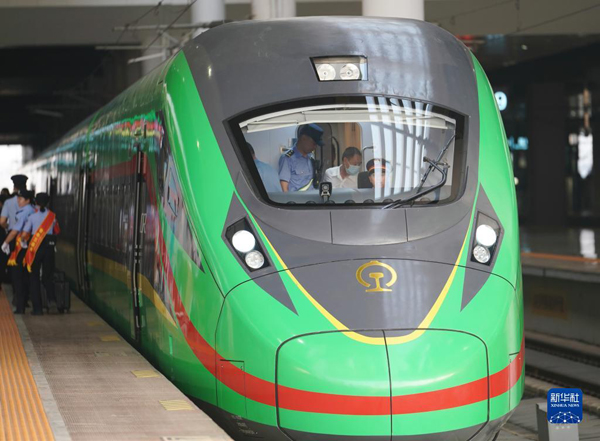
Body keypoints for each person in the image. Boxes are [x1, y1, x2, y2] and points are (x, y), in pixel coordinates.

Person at [22, 193, 60, 315]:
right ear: (48, 203)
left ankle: (37, 309)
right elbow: (57, 231)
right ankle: (52, 301)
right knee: (48, 276)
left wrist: (23, 242)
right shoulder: (52, 216)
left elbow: (24, 234)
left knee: (34, 278)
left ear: (36, 203)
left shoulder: (32, 217)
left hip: (36, 249)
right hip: (49, 249)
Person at [1, 189, 35, 314]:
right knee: (25, 276)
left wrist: (5, 242)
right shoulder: (32, 210)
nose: (18, 201)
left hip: (21, 248)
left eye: (20, 199)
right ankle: (23, 302)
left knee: (17, 276)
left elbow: (15, 231)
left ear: (28, 200)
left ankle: (20, 306)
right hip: (28, 246)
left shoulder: (24, 212)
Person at [278, 124, 324, 192]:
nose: (315, 147)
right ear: (303, 138)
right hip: (297, 198)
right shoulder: (287, 158)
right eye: (314, 143)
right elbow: (284, 188)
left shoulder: (311, 157)